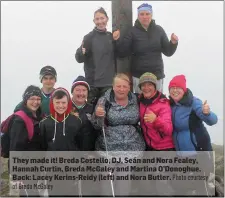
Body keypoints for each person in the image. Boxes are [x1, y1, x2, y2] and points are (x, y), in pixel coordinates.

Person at [91, 73, 146, 196]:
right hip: (108, 146)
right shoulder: (104, 100)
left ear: (129, 87)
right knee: (107, 180)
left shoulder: (136, 99)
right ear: (113, 86)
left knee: (123, 180)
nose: (121, 89)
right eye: (118, 86)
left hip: (131, 146)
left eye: (124, 86)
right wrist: (98, 116)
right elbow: (97, 126)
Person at [168, 74, 218, 196]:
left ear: (184, 89)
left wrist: (207, 113)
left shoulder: (194, 102)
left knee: (203, 188)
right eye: (172, 88)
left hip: (199, 152)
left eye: (178, 87)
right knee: (182, 187)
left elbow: (212, 121)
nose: (175, 90)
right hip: (181, 155)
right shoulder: (171, 105)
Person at [113, 3, 178, 93]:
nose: (145, 17)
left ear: (151, 15)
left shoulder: (159, 30)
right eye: (142, 14)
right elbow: (122, 53)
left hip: (157, 75)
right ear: (138, 16)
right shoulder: (132, 32)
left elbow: (168, 52)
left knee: (157, 104)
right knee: (141, 104)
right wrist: (117, 40)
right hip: (139, 76)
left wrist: (173, 43)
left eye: (147, 14)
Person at [40, 87, 83, 196]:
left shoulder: (76, 121)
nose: (60, 106)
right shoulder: (45, 123)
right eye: (57, 102)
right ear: (52, 103)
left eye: (63, 102)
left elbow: (80, 144)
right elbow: (43, 146)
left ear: (68, 103)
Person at [137, 72, 174, 196]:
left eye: (150, 85)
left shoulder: (163, 104)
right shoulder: (140, 101)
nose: (146, 88)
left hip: (165, 149)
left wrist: (156, 120)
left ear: (155, 86)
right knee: (146, 181)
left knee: (161, 181)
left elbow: (168, 129)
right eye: (143, 85)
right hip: (150, 148)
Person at [75, 7, 116, 105]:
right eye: (97, 19)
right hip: (93, 84)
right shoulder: (89, 37)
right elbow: (79, 58)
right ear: (94, 21)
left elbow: (121, 53)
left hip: (109, 84)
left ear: (107, 19)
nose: (100, 21)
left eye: (102, 18)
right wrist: (81, 52)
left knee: (107, 114)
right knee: (91, 114)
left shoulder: (111, 37)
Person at [8, 85, 43, 197]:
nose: (35, 102)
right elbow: (15, 146)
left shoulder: (39, 116)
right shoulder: (20, 119)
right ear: (26, 100)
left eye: (38, 99)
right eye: (32, 99)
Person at [71, 75, 97, 151]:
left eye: (84, 90)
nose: (81, 93)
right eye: (78, 90)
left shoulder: (93, 109)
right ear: (72, 92)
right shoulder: (65, 108)